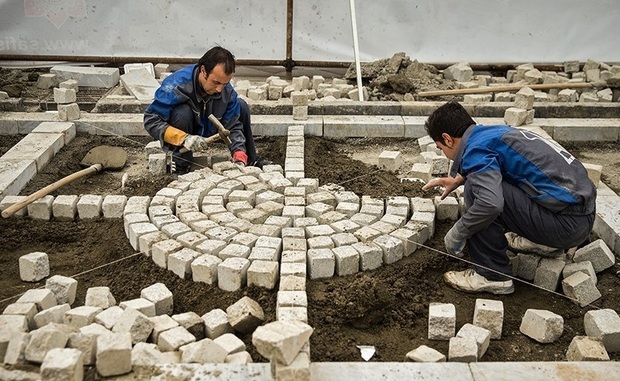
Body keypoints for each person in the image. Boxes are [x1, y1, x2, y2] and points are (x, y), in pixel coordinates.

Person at [422, 101, 596, 295]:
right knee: (479, 183)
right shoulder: (493, 133)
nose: (444, 154)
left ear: (447, 139)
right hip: (582, 216)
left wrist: (457, 232)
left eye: (440, 148)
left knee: (477, 191)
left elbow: (489, 204)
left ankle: (492, 275)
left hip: (567, 226)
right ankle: (543, 243)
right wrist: (459, 178)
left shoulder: (474, 150)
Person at [144, 46, 270, 173]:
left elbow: (233, 126)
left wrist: (239, 153)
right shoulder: (177, 85)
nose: (219, 89)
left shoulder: (227, 92)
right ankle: (181, 164)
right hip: (187, 131)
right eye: (216, 82)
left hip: (211, 127)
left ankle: (248, 159)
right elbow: (151, 119)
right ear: (203, 71)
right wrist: (183, 138)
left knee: (241, 106)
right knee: (181, 113)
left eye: (224, 84)